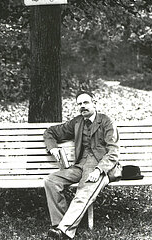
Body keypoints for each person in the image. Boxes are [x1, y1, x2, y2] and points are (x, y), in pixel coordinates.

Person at [43, 91, 121, 239]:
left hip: (100, 168)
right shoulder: (77, 122)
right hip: (80, 165)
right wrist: (52, 147)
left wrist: (99, 170)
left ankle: (64, 231)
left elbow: (113, 152)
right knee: (51, 181)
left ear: (94, 103)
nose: (82, 106)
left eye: (86, 103)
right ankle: (59, 225)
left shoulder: (106, 122)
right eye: (79, 104)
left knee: (84, 191)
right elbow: (50, 132)